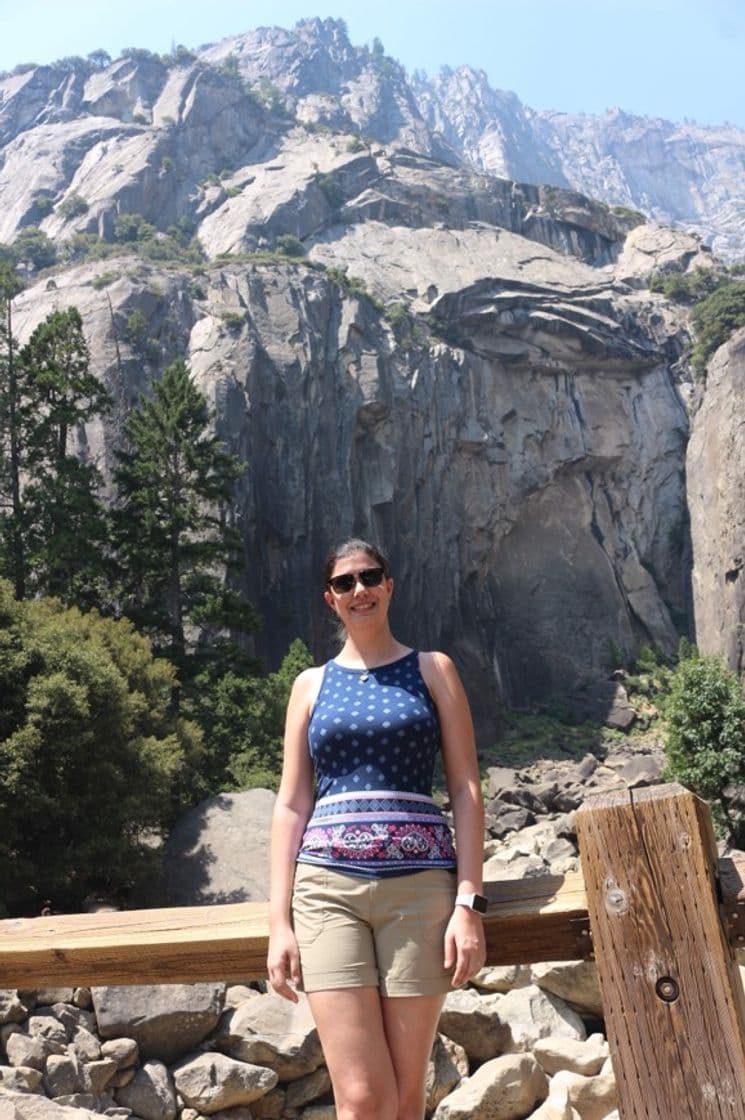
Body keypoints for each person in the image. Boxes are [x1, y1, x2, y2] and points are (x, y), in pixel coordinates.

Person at [267, 539, 486, 1120]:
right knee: (363, 1101)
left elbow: (465, 789)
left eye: (370, 577)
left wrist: (470, 902)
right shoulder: (309, 686)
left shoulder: (433, 669)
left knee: (407, 1098)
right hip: (325, 892)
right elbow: (291, 803)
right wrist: (277, 922)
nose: (359, 589)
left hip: (421, 894)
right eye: (345, 582)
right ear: (331, 599)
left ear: (389, 585)